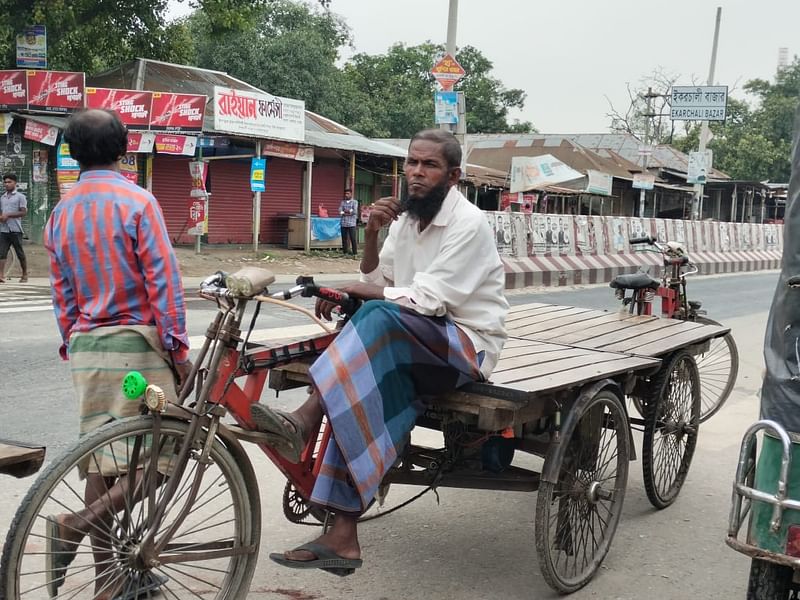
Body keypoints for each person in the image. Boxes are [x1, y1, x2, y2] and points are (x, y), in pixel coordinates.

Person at [250, 129, 509, 575]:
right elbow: (379, 273)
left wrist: (355, 290)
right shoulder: (407, 220)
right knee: (356, 399)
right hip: (413, 341)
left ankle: (305, 415)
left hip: (465, 346)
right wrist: (371, 231)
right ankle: (343, 536)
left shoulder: (469, 223)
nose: (416, 173)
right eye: (412, 162)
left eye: (429, 165)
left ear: (453, 176)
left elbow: (426, 300)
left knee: (376, 314)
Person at [42, 109, 191, 600]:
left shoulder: (61, 212)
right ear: (124, 148)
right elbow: (163, 284)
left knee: (103, 463)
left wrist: (75, 340)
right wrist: (178, 348)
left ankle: (108, 583)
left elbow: (61, 293)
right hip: (136, 354)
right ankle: (77, 522)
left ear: (72, 153)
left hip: (88, 351)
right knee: (165, 451)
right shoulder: (137, 201)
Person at [0, 172, 28, 282]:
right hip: (3, 230)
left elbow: (23, 212)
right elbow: (2, 213)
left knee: (19, 252)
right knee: (2, 253)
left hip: (16, 229)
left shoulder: (20, 197)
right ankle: (1, 275)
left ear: (15, 183)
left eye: (9, 182)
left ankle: (24, 274)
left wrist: (9, 215)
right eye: (5, 182)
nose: (7, 184)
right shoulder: (2, 198)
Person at [339, 188, 358, 255]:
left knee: (353, 238)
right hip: (343, 223)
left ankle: (355, 253)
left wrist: (344, 212)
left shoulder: (354, 202)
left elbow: (354, 211)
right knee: (344, 239)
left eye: (348, 194)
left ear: (351, 194)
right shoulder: (342, 202)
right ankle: (345, 252)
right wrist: (349, 211)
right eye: (345, 194)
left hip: (352, 224)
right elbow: (340, 211)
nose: (346, 195)